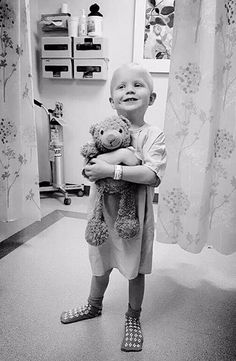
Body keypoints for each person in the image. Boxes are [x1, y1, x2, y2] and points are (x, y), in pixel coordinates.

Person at [60, 63, 167, 352]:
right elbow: (91, 169)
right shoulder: (102, 132)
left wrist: (114, 169)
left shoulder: (153, 135)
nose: (129, 89)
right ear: (111, 101)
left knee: (135, 268)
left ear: (152, 98)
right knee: (100, 261)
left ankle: (133, 317)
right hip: (103, 214)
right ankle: (94, 305)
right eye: (121, 86)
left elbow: (151, 175)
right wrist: (106, 165)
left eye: (137, 85)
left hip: (135, 216)